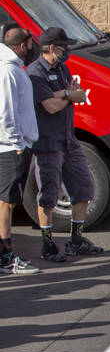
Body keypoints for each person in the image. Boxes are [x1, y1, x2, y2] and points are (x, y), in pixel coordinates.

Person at [28, 27, 103, 262]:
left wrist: (63, 95)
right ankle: (48, 245)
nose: (67, 51)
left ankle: (76, 241)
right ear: (52, 48)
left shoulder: (62, 68)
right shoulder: (35, 73)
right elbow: (49, 106)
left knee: (83, 189)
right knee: (48, 197)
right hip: (48, 145)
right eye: (64, 47)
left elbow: (79, 94)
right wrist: (67, 95)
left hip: (69, 141)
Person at [0, 26, 40, 275]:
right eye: (29, 43)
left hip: (14, 146)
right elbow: (5, 113)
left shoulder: (12, 67)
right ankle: (6, 258)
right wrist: (16, 145)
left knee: (6, 203)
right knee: (7, 204)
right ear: (22, 45)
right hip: (10, 149)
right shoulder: (7, 70)